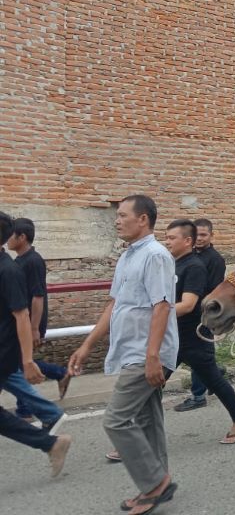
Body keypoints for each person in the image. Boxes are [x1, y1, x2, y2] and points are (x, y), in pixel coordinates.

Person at [68, 195, 180, 514]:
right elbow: (114, 304)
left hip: (146, 351)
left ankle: (154, 483)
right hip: (133, 349)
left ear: (143, 219)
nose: (117, 220)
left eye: (122, 215)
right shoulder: (129, 256)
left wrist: (152, 356)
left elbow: (162, 306)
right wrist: (87, 344)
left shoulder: (156, 255)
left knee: (116, 420)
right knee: (147, 416)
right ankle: (159, 481)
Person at [164, 219, 235, 443]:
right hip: (174, 336)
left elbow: (194, 302)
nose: (166, 242)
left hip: (195, 334)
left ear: (188, 241)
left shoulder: (199, 264)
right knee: (150, 384)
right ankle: (134, 437)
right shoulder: (175, 263)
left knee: (214, 380)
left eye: (171, 238)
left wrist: (153, 315)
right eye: (166, 237)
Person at [0, 211, 72, 477]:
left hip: (4, 352)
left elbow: (22, 313)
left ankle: (51, 438)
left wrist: (28, 359)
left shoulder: (10, 270)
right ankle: (50, 441)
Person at [7, 218, 70, 404]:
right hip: (21, 320)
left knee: (20, 363)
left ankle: (26, 409)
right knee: (18, 362)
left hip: (30, 321)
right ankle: (60, 374)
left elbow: (38, 296)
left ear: (22, 237)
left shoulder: (33, 261)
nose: (7, 239)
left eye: (11, 235)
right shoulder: (20, 260)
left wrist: (34, 328)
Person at [173, 217, 227, 413]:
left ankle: (198, 396)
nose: (200, 238)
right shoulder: (187, 257)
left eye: (204, 235)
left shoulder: (215, 260)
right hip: (183, 315)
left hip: (201, 314)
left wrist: (197, 305)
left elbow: (214, 291)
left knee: (198, 356)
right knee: (196, 357)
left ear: (211, 235)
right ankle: (215, 374)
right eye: (198, 235)